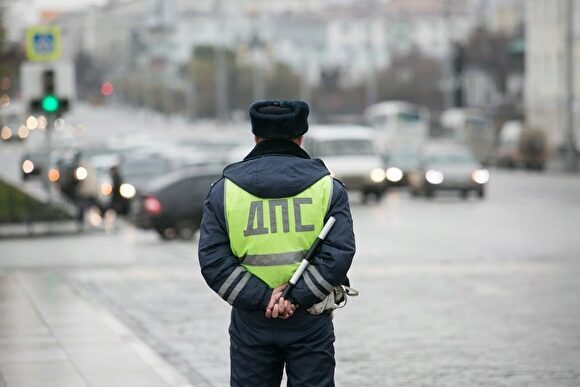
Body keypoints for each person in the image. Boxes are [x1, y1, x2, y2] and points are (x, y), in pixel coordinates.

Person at [198, 100, 356, 386]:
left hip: (251, 319)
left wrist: (262, 298)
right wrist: (295, 298)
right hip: (309, 317)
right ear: (300, 137)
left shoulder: (225, 191)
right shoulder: (328, 188)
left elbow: (213, 259)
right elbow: (339, 253)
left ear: (256, 137)